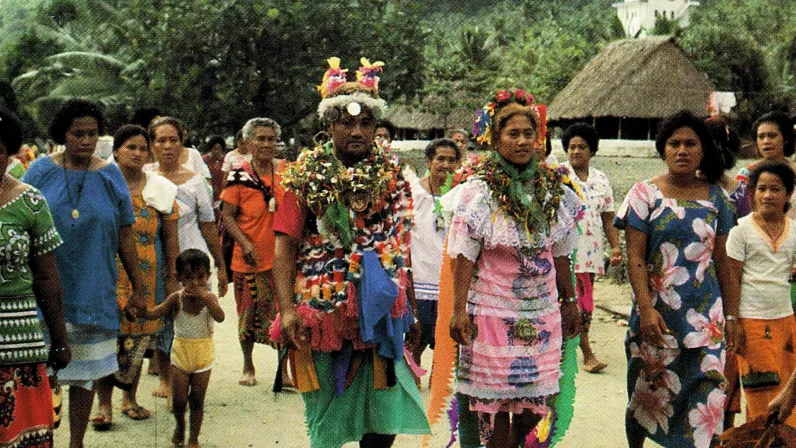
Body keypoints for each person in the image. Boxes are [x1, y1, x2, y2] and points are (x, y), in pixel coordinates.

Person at [273, 57, 430, 447]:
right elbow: (284, 248)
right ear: (329, 126)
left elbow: (400, 244)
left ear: (377, 126)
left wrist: (408, 303)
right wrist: (288, 309)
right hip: (324, 311)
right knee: (327, 414)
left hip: (383, 313)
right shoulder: (302, 177)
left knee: (384, 416)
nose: (357, 130)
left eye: (365, 123)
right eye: (346, 121)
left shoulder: (395, 176)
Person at [442, 89, 581, 448]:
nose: (522, 142)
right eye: (512, 134)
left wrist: (570, 301)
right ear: (495, 139)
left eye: (528, 134)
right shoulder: (478, 192)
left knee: (535, 404)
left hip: (542, 312)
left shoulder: (555, 191)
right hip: (491, 311)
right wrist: (459, 310)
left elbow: (562, 253)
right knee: (496, 404)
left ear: (539, 139)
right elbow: (464, 255)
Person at [22, 98, 146, 447]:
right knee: (40, 375)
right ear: (63, 134)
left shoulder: (110, 175)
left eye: (92, 134)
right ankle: (41, 438)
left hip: (94, 290)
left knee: (85, 375)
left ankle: (76, 442)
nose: (86, 140)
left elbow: (125, 231)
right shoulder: (40, 172)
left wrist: (138, 286)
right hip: (43, 293)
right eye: (78, 133)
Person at [615, 110, 734, 448]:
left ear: (703, 150)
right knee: (644, 395)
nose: (682, 150)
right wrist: (646, 310)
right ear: (663, 149)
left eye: (690, 144)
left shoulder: (717, 199)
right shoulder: (643, 195)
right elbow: (635, 258)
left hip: (706, 320)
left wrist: (732, 316)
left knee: (708, 397)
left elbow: (724, 263)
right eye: (674, 143)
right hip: (656, 316)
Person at [93, 125, 180, 424]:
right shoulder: (100, 183)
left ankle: (129, 399)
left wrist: (172, 276)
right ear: (116, 150)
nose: (138, 153)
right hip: (106, 274)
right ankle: (103, 405)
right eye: (131, 147)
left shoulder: (161, 188)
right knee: (106, 338)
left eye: (143, 148)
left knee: (140, 339)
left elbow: (170, 237)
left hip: (147, 275)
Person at [0, 106, 71, 447]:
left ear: (10, 153)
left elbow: (47, 277)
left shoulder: (31, 202)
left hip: (21, 340)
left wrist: (59, 340)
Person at [149, 116, 228, 404]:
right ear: (152, 144)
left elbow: (208, 223)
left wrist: (220, 266)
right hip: (156, 258)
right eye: (161, 140)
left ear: (182, 142)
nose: (168, 146)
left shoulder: (195, 181)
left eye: (173, 140)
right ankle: (166, 379)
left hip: (191, 261)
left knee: (191, 316)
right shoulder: (145, 176)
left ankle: (193, 370)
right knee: (164, 317)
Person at [725, 161, 796, 427]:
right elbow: (733, 280)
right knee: (762, 400)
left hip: (786, 323)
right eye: (762, 189)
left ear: (788, 194)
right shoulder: (741, 231)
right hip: (752, 323)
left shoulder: (794, 231)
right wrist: (734, 322)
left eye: (775, 189)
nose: (768, 195)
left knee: (789, 397)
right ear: (752, 193)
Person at [220, 117, 285, 386]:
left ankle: (285, 371)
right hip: (247, 258)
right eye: (260, 139)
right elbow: (227, 216)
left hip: (280, 258)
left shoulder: (285, 173)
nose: (266, 144)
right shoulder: (238, 174)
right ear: (247, 143)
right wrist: (245, 243)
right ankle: (248, 365)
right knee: (247, 314)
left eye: (271, 139)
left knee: (284, 314)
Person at [144, 249, 225, 448]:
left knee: (197, 400)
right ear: (179, 278)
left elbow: (220, 317)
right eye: (188, 277)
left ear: (208, 277)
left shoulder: (210, 299)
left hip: (203, 354)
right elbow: (155, 313)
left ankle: (193, 439)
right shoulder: (176, 298)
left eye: (200, 277)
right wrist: (141, 311)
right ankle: (180, 426)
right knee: (180, 401)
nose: (195, 283)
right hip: (180, 352)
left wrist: (206, 298)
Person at [561, 122, 622, 373]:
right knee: (577, 304)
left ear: (592, 151)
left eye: (582, 147)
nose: (576, 151)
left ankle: (567, 348)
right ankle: (587, 353)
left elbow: (608, 217)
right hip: (566, 254)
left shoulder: (601, 179)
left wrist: (616, 247)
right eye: (572, 147)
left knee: (586, 303)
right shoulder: (559, 176)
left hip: (592, 253)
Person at [408, 138, 462, 385]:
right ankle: (414, 374)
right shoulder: (414, 193)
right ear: (428, 162)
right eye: (440, 159)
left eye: (452, 160)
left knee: (447, 336)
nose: (446, 165)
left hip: (451, 278)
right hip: (420, 276)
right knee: (418, 331)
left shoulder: (463, 195)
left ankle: (439, 379)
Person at [705, 117, 747, 429]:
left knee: (728, 368)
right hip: (694, 288)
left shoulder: (740, 194)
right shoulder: (683, 189)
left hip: (730, 286)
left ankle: (726, 434)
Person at [737, 111, 796, 218]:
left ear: (785, 139)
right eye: (761, 137)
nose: (766, 141)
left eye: (772, 136)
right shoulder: (746, 174)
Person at [202, 135, 227, 209]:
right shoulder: (204, 160)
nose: (216, 151)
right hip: (208, 190)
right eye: (214, 148)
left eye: (219, 149)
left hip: (221, 190)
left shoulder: (225, 160)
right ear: (211, 148)